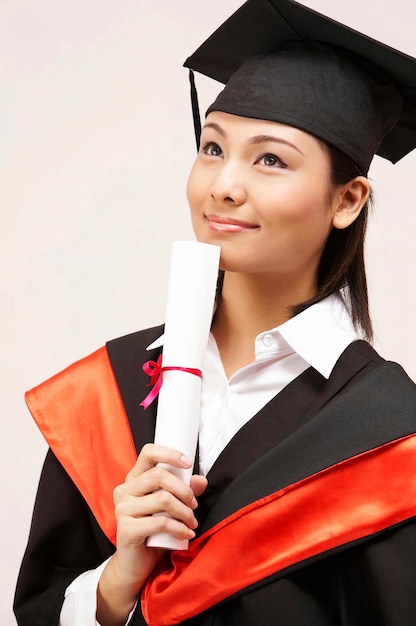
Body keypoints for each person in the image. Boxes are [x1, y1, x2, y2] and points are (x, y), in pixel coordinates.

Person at [14, 0, 416, 624]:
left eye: (270, 159)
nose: (223, 185)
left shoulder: (390, 433)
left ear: (348, 199)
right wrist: (117, 583)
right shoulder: (113, 388)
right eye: (211, 147)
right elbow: (39, 607)